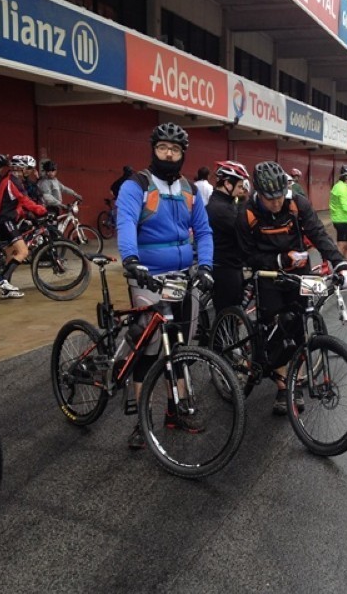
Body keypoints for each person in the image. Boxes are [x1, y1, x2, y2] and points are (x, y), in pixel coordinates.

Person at [116, 122, 214, 449]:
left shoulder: (189, 189)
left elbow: (203, 231)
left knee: (182, 343)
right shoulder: (137, 185)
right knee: (150, 345)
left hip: (183, 276)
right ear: (153, 150)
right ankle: (142, 420)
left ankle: (178, 409)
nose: (169, 153)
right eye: (163, 148)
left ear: (183, 154)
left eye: (175, 149)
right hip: (148, 275)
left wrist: (207, 267)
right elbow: (126, 221)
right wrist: (131, 259)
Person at [236, 160, 347, 415]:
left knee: (300, 327)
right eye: (271, 199)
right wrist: (280, 259)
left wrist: (341, 263)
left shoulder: (297, 203)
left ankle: (296, 384)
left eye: (280, 196)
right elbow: (247, 256)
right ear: (258, 193)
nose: (277, 203)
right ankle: (281, 387)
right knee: (278, 329)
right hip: (268, 275)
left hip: (300, 273)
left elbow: (319, 234)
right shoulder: (246, 213)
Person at [0, 155, 48, 299]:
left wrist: (28, 214)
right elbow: (25, 200)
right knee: (23, 251)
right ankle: (0, 279)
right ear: (20, 169)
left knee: (11, 254)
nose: (29, 172)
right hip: (4, 221)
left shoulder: (13, 180)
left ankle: (7, 290)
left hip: (4, 220)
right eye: (28, 169)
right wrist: (41, 210)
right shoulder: (12, 182)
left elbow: (19, 204)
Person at [206, 160, 250, 314]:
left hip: (231, 265)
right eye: (238, 186)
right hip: (225, 269)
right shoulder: (220, 209)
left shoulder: (226, 203)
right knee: (227, 316)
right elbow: (245, 232)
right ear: (227, 184)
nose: (241, 191)